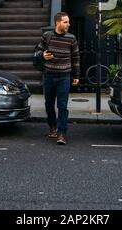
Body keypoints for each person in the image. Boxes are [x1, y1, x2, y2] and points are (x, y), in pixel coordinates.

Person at [37, 12, 80, 145]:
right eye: (65, 22)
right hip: (49, 75)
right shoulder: (47, 36)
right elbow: (38, 50)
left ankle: (62, 133)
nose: (68, 24)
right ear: (57, 23)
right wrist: (42, 55)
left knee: (62, 106)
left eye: (68, 22)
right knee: (49, 105)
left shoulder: (71, 38)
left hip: (64, 76)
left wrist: (76, 76)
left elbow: (76, 57)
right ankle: (52, 127)